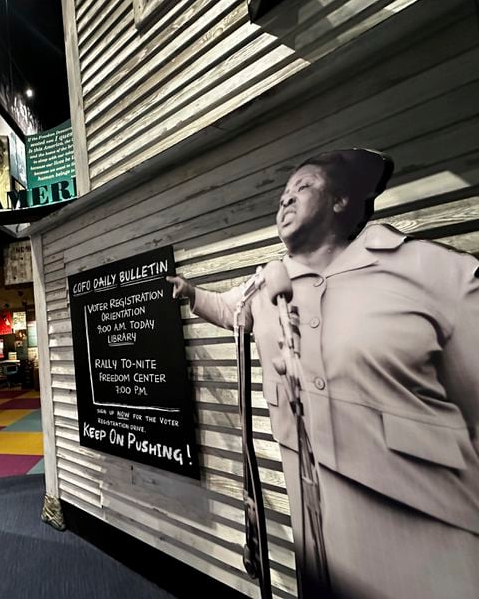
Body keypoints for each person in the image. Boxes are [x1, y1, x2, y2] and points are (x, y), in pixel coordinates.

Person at [167, 149, 479, 598]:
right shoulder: (267, 286)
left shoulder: (431, 272)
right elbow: (230, 309)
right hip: (316, 529)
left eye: (303, 187)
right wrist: (192, 293)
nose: (285, 201)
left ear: (341, 202)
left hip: (424, 536)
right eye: (281, 196)